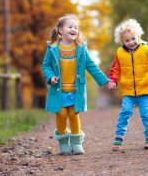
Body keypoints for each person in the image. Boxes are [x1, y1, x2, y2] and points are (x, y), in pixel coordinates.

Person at [42, 14, 116, 155]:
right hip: (59, 90)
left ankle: (76, 143)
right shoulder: (53, 48)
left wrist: (105, 81)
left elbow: (92, 66)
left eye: (76, 27)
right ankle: (63, 142)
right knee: (61, 114)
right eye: (70, 27)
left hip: (76, 90)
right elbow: (46, 66)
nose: (74, 29)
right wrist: (51, 77)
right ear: (60, 31)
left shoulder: (81, 49)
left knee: (74, 114)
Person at [109, 19, 148, 151]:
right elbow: (115, 70)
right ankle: (118, 138)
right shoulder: (119, 53)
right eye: (127, 40)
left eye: (133, 38)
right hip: (128, 90)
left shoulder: (146, 49)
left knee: (145, 114)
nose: (131, 42)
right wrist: (113, 80)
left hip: (145, 89)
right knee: (125, 112)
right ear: (122, 41)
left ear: (139, 37)